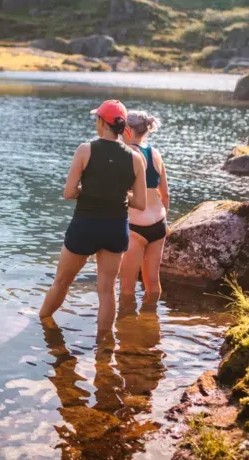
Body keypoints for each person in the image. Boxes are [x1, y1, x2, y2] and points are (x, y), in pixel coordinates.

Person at [39, 100, 148, 340]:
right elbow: (140, 203)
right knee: (107, 291)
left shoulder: (84, 150)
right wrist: (116, 194)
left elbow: (68, 193)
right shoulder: (136, 158)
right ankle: (103, 347)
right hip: (115, 229)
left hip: (85, 227)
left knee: (61, 282)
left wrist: (88, 192)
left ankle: (42, 323)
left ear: (102, 122)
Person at [120, 111, 170, 296]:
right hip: (158, 224)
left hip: (135, 228)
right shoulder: (155, 153)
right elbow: (165, 195)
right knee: (153, 282)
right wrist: (166, 223)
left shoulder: (128, 155)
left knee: (127, 287)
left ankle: (127, 324)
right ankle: (150, 321)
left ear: (127, 130)